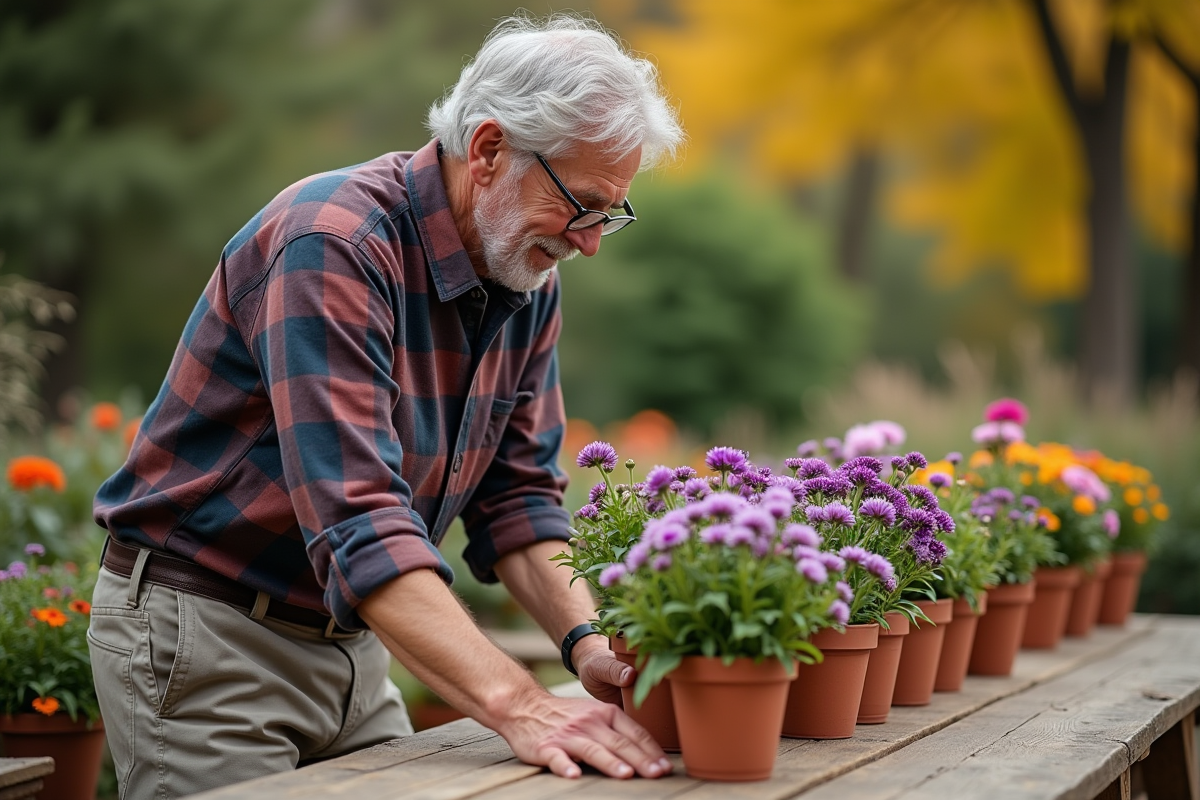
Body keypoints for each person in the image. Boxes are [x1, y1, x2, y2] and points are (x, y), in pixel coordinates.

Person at [87, 13, 684, 798]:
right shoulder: (332, 242)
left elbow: (520, 500)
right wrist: (522, 705)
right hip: (209, 631)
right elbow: (359, 519)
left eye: (613, 212)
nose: (591, 240)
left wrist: (588, 645)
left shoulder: (526, 270)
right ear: (490, 150)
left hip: (355, 644)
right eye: (584, 203)